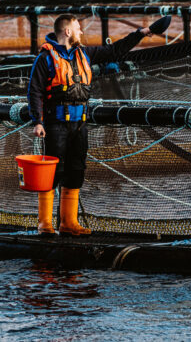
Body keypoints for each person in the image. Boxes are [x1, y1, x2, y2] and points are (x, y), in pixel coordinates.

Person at [28, 14, 170, 236]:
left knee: (76, 170)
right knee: (53, 172)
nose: (81, 32)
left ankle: (68, 223)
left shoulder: (84, 53)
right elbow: (34, 91)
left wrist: (140, 34)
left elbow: (115, 51)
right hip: (55, 124)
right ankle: (45, 224)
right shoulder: (45, 58)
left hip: (79, 125)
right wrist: (38, 121)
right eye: (78, 28)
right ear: (67, 32)